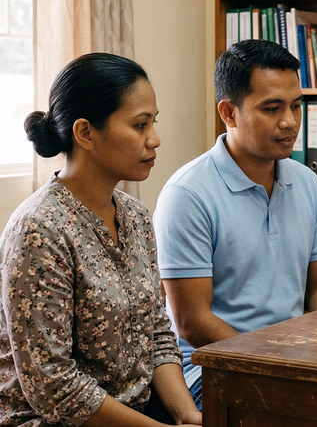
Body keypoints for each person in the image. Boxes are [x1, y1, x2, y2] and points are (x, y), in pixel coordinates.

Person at [0, 54, 201, 426]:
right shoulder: (39, 229)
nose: (155, 139)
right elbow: (52, 385)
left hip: (137, 411)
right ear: (85, 133)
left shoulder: (135, 215)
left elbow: (157, 332)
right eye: (139, 125)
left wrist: (188, 416)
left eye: (153, 123)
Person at [153, 39, 317, 410]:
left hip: (290, 360)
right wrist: (275, 362)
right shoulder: (187, 194)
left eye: (296, 106)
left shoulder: (305, 182)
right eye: (272, 108)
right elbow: (192, 322)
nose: (289, 122)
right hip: (211, 368)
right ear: (229, 112)